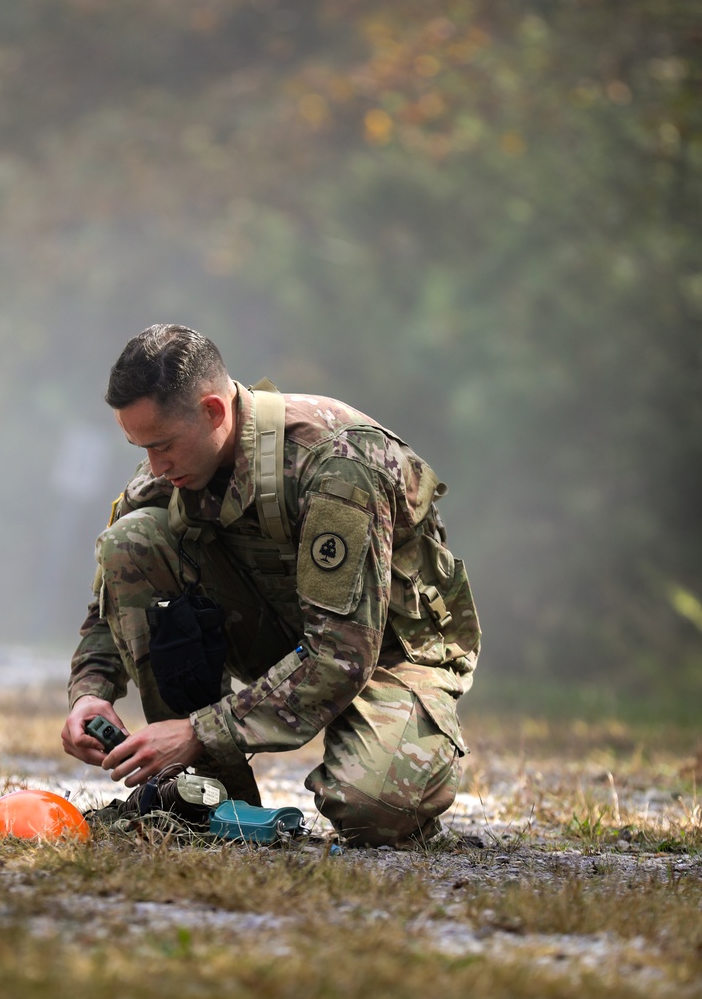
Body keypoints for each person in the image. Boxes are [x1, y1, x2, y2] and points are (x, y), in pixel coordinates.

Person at [61, 325, 480, 846]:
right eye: (142, 447)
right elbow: (114, 596)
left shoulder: (335, 464)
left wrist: (197, 732)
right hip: (286, 633)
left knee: (373, 812)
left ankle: (204, 755)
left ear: (214, 411)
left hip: (389, 651)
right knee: (133, 538)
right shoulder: (173, 475)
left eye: (164, 445)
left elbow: (341, 654)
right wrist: (90, 694)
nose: (155, 465)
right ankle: (206, 795)